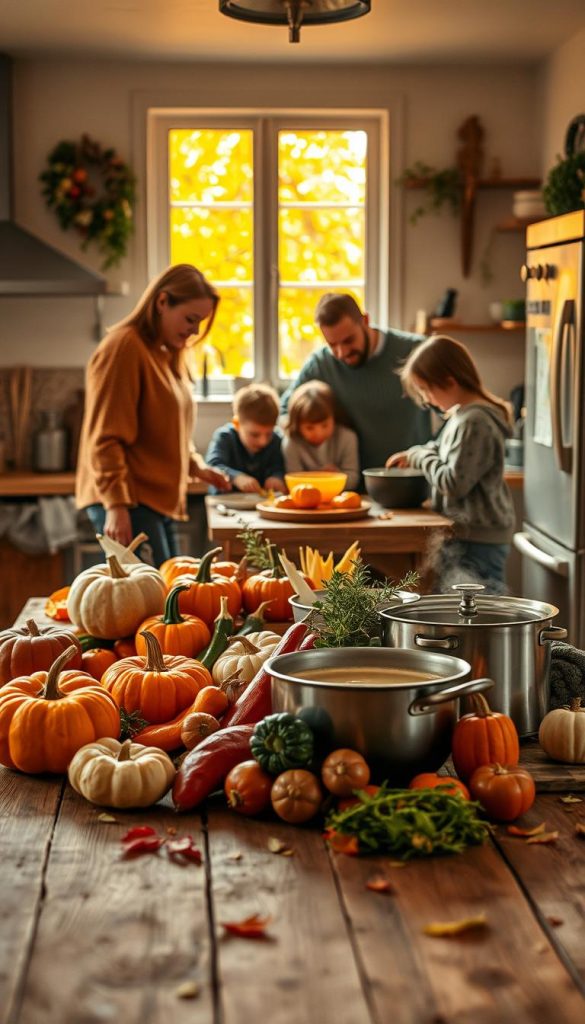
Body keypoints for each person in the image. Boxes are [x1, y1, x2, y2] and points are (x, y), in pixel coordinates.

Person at [76, 264, 230, 566]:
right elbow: (105, 437)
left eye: (201, 323)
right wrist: (117, 505)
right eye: (190, 319)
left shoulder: (161, 353)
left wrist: (195, 467)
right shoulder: (124, 348)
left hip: (153, 502)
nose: (195, 331)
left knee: (168, 597)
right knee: (153, 604)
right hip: (130, 501)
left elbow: (165, 429)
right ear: (162, 302)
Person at [386, 334, 515, 592]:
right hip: (467, 535)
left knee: (480, 615)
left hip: (478, 539)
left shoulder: (474, 422)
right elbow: (443, 450)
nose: (426, 399)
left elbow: (452, 483)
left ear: (449, 381)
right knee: (461, 611)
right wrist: (416, 452)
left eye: (426, 389)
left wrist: (419, 457)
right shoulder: (461, 416)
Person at [280, 293, 431, 474]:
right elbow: (284, 414)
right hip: (350, 487)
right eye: (332, 344)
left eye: (348, 340)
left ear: (365, 321)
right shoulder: (322, 364)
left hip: (411, 479)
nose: (341, 353)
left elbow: (453, 412)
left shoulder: (416, 351)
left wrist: (427, 454)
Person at [205, 383, 286, 494]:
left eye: (268, 434)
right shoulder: (225, 437)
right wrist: (236, 477)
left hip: (259, 505)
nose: (263, 442)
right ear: (237, 424)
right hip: (225, 504)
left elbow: (278, 466)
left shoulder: (276, 440)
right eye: (254, 435)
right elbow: (213, 465)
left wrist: (277, 477)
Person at [282, 380, 360, 491]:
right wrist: (320, 480)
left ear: (334, 416)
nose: (318, 433)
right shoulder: (291, 442)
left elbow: (353, 479)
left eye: (325, 425)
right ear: (297, 424)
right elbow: (294, 483)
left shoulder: (348, 438)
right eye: (309, 428)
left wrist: (337, 476)